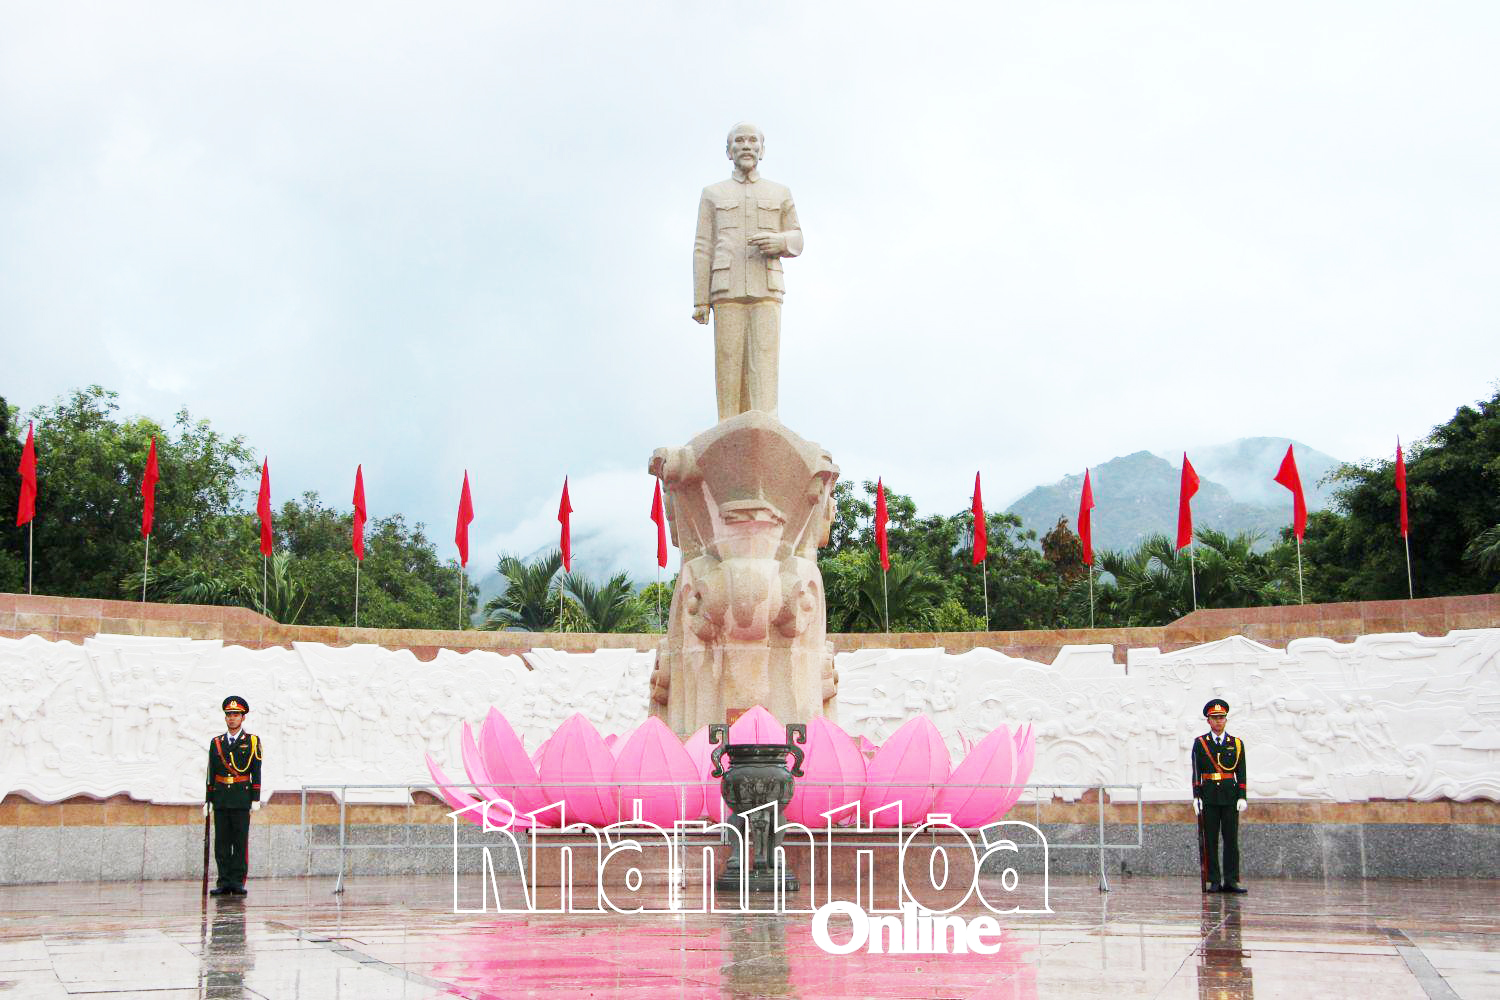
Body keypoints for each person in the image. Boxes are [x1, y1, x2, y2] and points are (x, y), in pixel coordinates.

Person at [692, 122, 803, 421]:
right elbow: (703, 246)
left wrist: (779, 241)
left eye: (752, 140)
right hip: (726, 288)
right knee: (728, 360)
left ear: (762, 150)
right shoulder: (712, 193)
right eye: (738, 141)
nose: (745, 145)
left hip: (766, 286)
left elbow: (797, 239)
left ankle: (766, 425)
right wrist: (700, 300)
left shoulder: (779, 192)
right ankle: (727, 426)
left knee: (765, 358)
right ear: (728, 151)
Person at [205, 695, 262, 896]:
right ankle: (223, 881)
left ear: (243, 718)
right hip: (221, 798)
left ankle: (237, 881)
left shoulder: (252, 741)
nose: (232, 718)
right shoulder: (216, 742)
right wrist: (209, 799)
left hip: (240, 798)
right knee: (221, 843)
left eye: (236, 715)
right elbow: (211, 773)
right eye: (229, 715)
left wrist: (255, 797)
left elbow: (256, 769)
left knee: (239, 841)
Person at [1191, 698, 1247, 893]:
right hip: (1209, 796)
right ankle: (1214, 880)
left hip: (1230, 796)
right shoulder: (1200, 743)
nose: (1218, 721)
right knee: (1211, 839)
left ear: (1226, 720)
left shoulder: (1236, 744)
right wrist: (1196, 796)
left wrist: (1242, 796)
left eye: (1221, 717)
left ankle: (1231, 880)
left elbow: (1241, 772)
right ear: (1208, 721)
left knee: (1231, 839)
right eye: (1214, 718)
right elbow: (1196, 771)